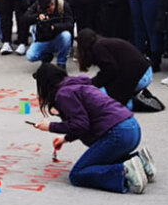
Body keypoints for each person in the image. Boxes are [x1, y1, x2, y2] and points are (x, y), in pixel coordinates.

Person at [31, 59, 153, 194]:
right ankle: (140, 161)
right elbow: (83, 119)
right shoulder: (75, 85)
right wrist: (66, 138)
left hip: (118, 134)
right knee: (100, 161)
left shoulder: (64, 94)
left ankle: (125, 171)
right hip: (131, 127)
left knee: (77, 174)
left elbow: (81, 124)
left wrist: (50, 126)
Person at [74, 28, 155, 108]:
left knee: (98, 98)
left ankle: (135, 102)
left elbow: (110, 70)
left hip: (140, 77)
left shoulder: (98, 47)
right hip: (145, 73)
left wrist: (93, 83)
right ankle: (137, 93)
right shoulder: (103, 43)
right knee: (106, 90)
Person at [24, 0, 73, 68]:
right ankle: (46, 56)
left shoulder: (62, 5)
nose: (47, 11)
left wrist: (54, 27)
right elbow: (24, 19)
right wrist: (37, 17)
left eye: (48, 8)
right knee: (30, 56)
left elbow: (70, 24)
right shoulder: (37, 5)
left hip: (58, 38)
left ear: (53, 3)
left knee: (66, 36)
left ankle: (61, 62)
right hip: (42, 39)